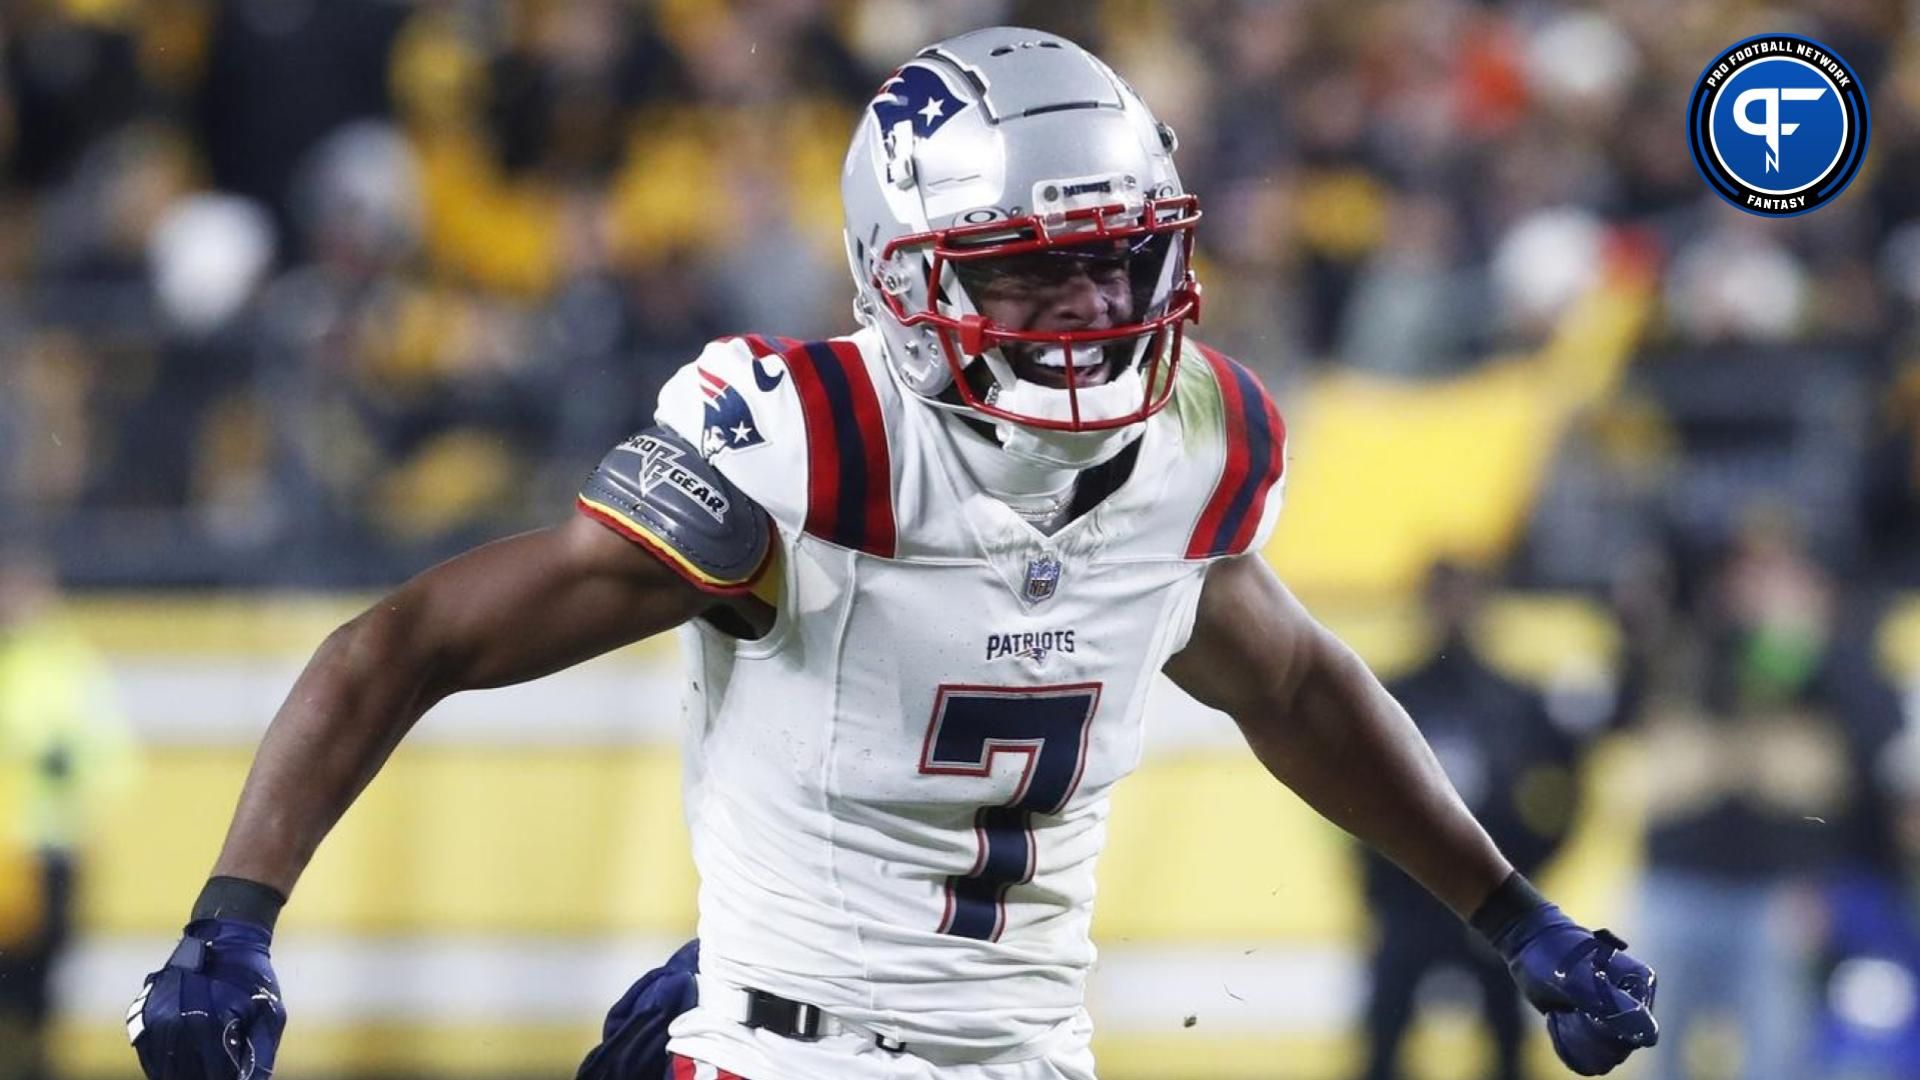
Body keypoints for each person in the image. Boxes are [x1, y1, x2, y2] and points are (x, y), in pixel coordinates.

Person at [126, 28, 1657, 1080]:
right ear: (897, 277)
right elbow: (410, 644)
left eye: (1116, 261)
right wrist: (231, 922)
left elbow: (1303, 689)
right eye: (1029, 276)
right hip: (778, 1050)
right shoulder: (810, 441)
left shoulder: (1194, 442)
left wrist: (1514, 918)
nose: (1090, 315)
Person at [1358, 562, 1585, 1080]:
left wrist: (1531, 862)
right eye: (1444, 597)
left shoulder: (1516, 700)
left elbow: (1569, 785)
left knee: (1507, 1042)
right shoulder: (1389, 695)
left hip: (1492, 899)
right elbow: (1343, 793)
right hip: (1408, 897)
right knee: (1383, 1039)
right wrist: (1374, 877)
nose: (1455, 612)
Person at [0, 545, 137, 1080]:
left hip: (45, 848)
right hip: (15, 851)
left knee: (38, 988)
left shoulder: (69, 665)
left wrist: (64, 764)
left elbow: (111, 756)